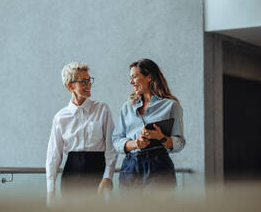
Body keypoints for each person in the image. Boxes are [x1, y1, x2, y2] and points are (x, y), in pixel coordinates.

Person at [46, 62, 117, 203]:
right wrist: (50, 191)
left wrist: (107, 177)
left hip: (98, 173)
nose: (88, 85)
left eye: (89, 80)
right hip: (71, 175)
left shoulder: (102, 109)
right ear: (70, 86)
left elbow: (111, 147)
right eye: (83, 82)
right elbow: (53, 155)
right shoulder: (60, 117)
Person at [112, 58, 185, 189]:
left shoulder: (171, 105)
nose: (131, 82)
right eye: (130, 78)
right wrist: (135, 144)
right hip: (130, 167)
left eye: (134, 77)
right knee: (130, 209)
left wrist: (160, 137)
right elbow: (116, 140)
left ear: (149, 77)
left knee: (158, 209)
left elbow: (179, 143)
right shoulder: (127, 107)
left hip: (159, 165)